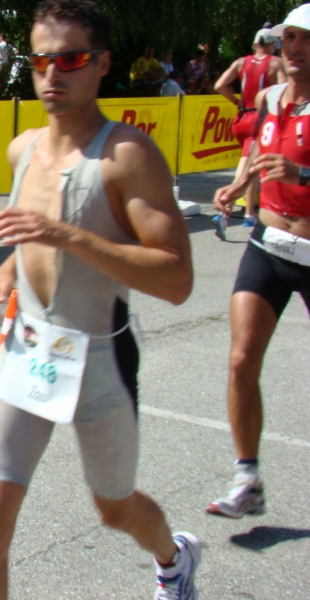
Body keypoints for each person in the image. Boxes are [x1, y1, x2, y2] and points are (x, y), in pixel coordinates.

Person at [0, 2, 199, 599]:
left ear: (102, 64)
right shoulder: (22, 149)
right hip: (28, 352)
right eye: (39, 59)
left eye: (69, 59)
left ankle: (174, 558)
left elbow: (177, 279)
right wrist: (6, 270)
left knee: (115, 508)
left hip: (99, 361)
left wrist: (68, 236)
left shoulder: (128, 156)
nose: (51, 73)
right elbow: (36, 234)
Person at [208, 4, 310, 520]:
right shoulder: (270, 98)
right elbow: (257, 153)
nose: (294, 48)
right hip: (268, 243)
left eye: (305, 39)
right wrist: (237, 184)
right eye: (288, 38)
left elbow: (292, 167)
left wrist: (303, 175)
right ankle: (247, 478)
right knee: (242, 358)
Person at [214, 27, 285, 228]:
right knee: (248, 164)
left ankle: (248, 212)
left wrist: (236, 101)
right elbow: (284, 91)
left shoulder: (240, 62)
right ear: (272, 44)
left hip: (241, 117)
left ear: (255, 43)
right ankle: (231, 212)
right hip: (257, 118)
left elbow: (219, 85)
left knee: (251, 163)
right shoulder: (276, 63)